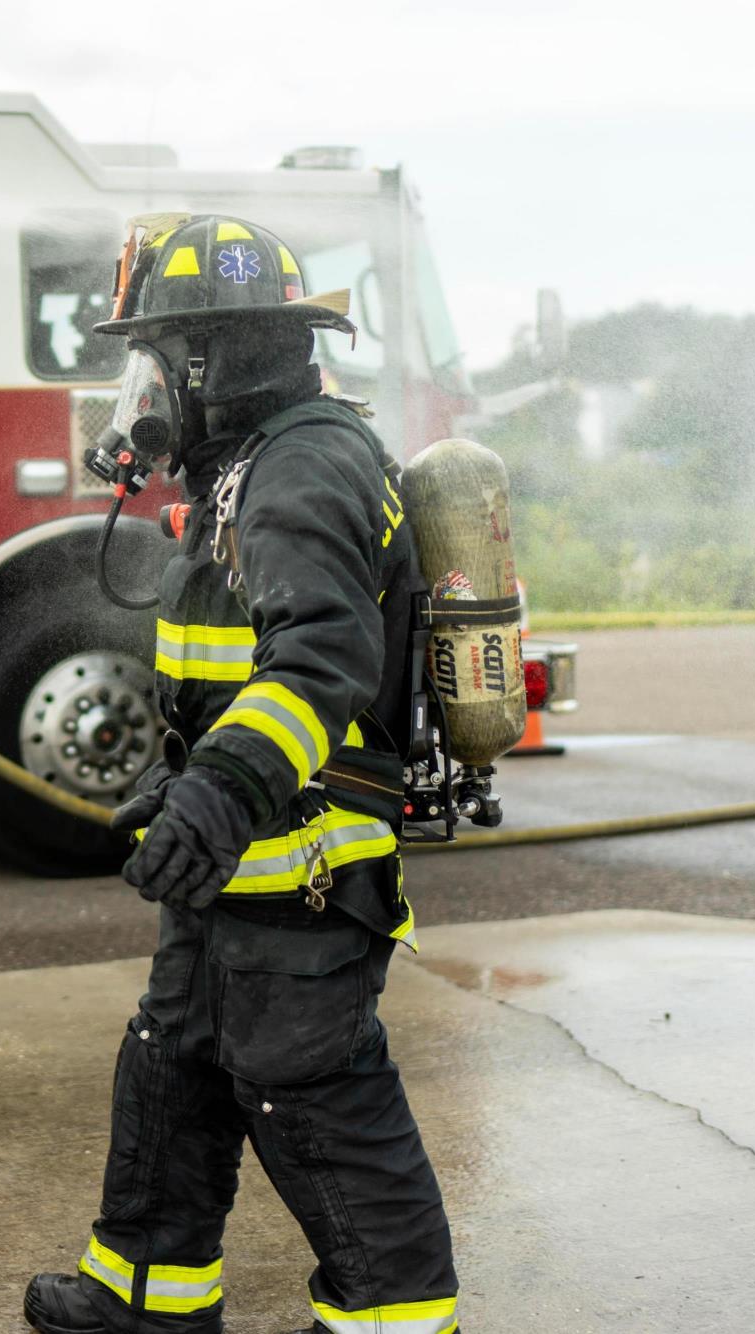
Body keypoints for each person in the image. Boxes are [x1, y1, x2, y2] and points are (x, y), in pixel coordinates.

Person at [24, 215, 461, 1334]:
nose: (141, 391)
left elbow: (319, 661)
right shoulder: (250, 467)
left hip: (302, 862)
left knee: (310, 1090)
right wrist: (183, 783)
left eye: (154, 359)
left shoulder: (300, 468)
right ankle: (146, 1296)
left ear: (208, 360)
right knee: (174, 1060)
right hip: (241, 860)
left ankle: (399, 1322)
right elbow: (234, 667)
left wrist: (217, 793)